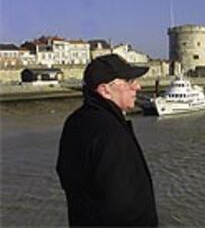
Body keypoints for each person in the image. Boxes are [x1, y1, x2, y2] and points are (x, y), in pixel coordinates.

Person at [56, 54, 158, 227]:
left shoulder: (75, 121)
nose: (137, 87)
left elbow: (66, 175)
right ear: (105, 90)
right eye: (129, 81)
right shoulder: (110, 132)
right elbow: (123, 204)